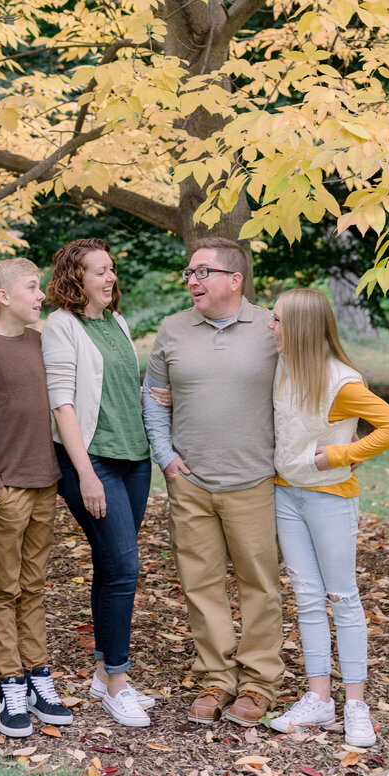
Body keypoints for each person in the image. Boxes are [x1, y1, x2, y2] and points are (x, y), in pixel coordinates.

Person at [143, 237, 282, 727]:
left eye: (202, 272)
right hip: (191, 484)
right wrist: (165, 457)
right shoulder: (173, 329)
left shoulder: (271, 328)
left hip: (253, 481)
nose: (192, 281)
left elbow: (301, 390)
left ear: (234, 279)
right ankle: (217, 677)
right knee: (200, 584)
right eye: (189, 273)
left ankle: (259, 682)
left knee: (259, 584)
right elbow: (155, 397)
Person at [267, 288, 389, 747]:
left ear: (301, 327)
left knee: (343, 598)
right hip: (286, 495)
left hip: (329, 499)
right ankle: (319, 699)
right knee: (307, 598)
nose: (270, 327)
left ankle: (356, 705)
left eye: (277, 320)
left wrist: (342, 455)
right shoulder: (282, 365)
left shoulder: (341, 382)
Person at [0, 258, 72, 738]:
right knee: (4, 588)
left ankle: (38, 671)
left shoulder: (42, 343)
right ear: (4, 296)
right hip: (6, 489)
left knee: (35, 585)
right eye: (32, 287)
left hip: (46, 482)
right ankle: (10, 680)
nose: (41, 294)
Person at [41, 238, 155, 729]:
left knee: (112, 567)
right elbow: (61, 403)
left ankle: (100, 674)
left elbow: (124, 389)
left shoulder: (117, 322)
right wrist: (84, 472)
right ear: (75, 277)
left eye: (111, 269)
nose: (110, 278)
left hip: (136, 459)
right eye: (99, 272)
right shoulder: (61, 326)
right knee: (125, 568)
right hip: (94, 462)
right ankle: (118, 684)